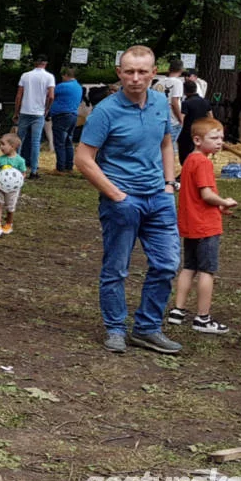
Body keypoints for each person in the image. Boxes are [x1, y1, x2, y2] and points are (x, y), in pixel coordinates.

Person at [74, 45, 181, 355]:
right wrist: (116, 194)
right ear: (119, 73)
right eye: (129, 72)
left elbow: (165, 143)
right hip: (122, 201)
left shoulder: (160, 102)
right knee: (117, 268)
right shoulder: (106, 111)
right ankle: (116, 329)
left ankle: (147, 328)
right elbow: (83, 159)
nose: (135, 78)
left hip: (158, 198)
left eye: (142, 72)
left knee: (166, 264)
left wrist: (168, 183)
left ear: (153, 73)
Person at [167, 118, 236, 334]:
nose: (219, 142)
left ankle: (177, 311)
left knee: (189, 267)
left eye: (221, 138)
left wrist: (218, 205)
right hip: (206, 226)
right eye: (214, 138)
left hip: (190, 223)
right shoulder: (204, 162)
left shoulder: (189, 160)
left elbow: (197, 195)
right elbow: (206, 194)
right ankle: (202, 318)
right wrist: (224, 201)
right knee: (207, 271)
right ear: (197, 140)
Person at [14, 54, 55, 179]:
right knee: (35, 142)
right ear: (45, 63)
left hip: (25, 111)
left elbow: (19, 95)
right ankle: (34, 170)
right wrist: (47, 108)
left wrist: (16, 112)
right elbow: (51, 96)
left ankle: (16, 167)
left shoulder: (25, 76)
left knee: (19, 140)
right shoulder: (49, 77)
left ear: (35, 63)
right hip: (39, 113)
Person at [0, 133, 27, 233]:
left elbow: (23, 174)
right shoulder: (0, 159)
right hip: (0, 187)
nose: (0, 147)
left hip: (13, 189)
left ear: (12, 146)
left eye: (3, 144)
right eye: (0, 144)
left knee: (10, 207)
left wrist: (17, 183)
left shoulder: (20, 161)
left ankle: (8, 224)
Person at [51, 67, 82, 172]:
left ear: (65, 75)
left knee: (59, 142)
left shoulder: (62, 86)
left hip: (61, 116)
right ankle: (69, 166)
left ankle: (60, 167)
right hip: (73, 115)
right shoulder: (78, 86)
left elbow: (50, 95)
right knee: (68, 141)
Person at [155, 58, 185, 140]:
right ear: (181, 70)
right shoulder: (178, 82)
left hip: (159, 118)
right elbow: (174, 102)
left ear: (169, 69)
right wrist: (180, 119)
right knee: (171, 146)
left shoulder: (159, 82)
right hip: (172, 119)